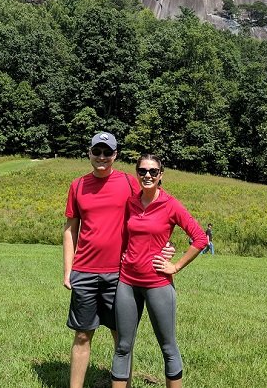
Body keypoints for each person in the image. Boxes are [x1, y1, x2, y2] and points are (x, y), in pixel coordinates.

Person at [63, 132, 173, 388]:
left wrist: (166, 245)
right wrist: (68, 270)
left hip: (121, 275)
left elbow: (159, 210)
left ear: (115, 155)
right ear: (89, 153)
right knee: (82, 336)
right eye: (97, 151)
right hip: (84, 272)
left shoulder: (128, 182)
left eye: (107, 152)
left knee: (122, 338)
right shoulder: (77, 186)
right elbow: (70, 229)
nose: (102, 157)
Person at [111, 154, 207, 388]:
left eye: (153, 171)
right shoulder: (131, 202)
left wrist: (175, 265)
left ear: (161, 175)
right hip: (127, 283)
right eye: (142, 171)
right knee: (123, 347)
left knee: (168, 347)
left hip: (158, 284)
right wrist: (125, 252)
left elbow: (200, 238)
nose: (147, 175)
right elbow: (125, 234)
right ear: (137, 173)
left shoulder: (170, 204)